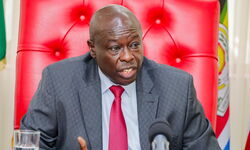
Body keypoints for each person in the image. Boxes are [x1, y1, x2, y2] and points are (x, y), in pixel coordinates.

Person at [20, 4, 221, 150]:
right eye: (115, 48)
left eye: (134, 45)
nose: (128, 57)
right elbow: (28, 147)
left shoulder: (177, 87)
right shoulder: (58, 82)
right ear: (92, 49)